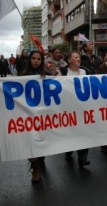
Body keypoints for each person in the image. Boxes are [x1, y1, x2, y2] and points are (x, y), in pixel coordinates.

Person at [60, 51, 91, 167]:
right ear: (69, 60)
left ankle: (82, 158)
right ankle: (69, 150)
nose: (78, 59)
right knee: (71, 133)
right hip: (67, 109)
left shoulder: (85, 71)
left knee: (83, 132)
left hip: (82, 109)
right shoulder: (63, 72)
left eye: (79, 57)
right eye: (76, 57)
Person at [20, 50, 46, 183]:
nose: (36, 61)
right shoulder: (22, 76)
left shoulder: (45, 76)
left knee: (41, 139)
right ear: (30, 60)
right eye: (33, 58)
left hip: (43, 115)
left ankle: (41, 160)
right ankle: (35, 167)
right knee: (30, 141)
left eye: (39, 59)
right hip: (28, 114)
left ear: (42, 61)